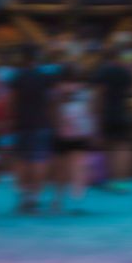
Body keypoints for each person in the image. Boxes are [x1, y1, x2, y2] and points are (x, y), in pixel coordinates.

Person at [9, 46, 56, 212]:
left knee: (22, 160)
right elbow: (51, 101)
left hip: (22, 124)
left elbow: (12, 102)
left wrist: (11, 119)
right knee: (39, 161)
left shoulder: (18, 77)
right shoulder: (45, 78)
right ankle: (35, 197)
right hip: (41, 124)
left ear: (22, 59)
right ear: (37, 59)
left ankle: (24, 195)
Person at [50, 65, 97, 212]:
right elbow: (90, 112)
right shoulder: (84, 92)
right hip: (79, 134)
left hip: (64, 134)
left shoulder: (57, 92)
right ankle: (76, 200)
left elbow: (53, 112)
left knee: (63, 169)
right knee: (77, 167)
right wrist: (92, 132)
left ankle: (59, 199)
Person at [93, 46, 132, 190]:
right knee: (123, 149)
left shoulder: (103, 72)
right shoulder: (127, 72)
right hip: (123, 112)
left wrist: (96, 115)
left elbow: (99, 95)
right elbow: (131, 94)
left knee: (109, 148)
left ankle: (110, 180)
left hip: (107, 113)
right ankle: (122, 181)